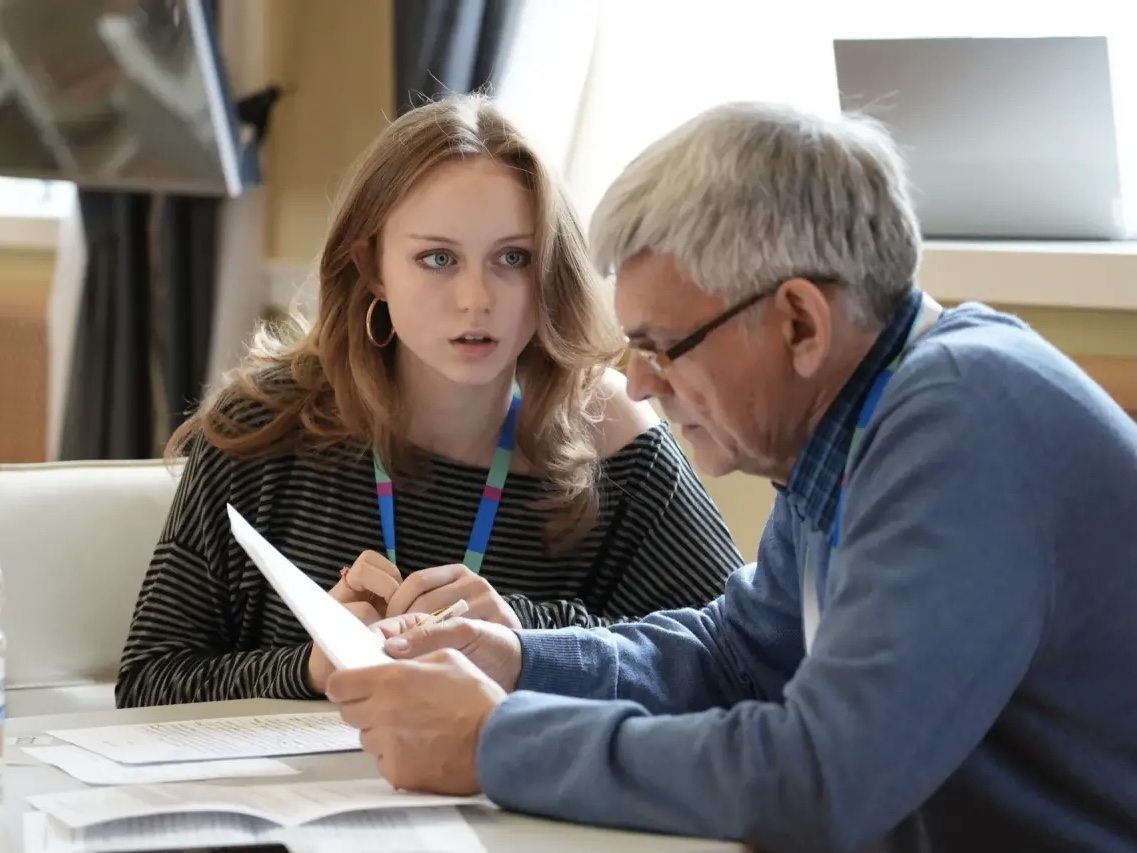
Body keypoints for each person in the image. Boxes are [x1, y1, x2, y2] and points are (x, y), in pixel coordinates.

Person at [324, 101, 1137, 852]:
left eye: (662, 346)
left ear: (799, 323)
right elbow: (736, 657)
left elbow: (817, 779)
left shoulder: (958, 423)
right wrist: (518, 659)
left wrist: (493, 741)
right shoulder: (862, 419)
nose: (638, 383)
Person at [114, 94, 744, 710]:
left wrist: (523, 636)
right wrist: (308, 667)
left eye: (513, 258)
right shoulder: (261, 425)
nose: (476, 299)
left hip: (507, 777)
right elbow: (148, 681)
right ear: (374, 269)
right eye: (437, 258)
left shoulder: (610, 430)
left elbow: (738, 661)